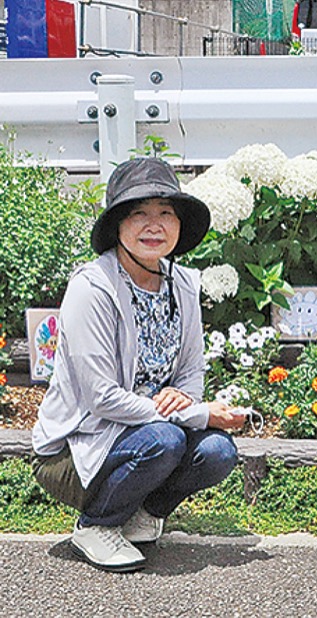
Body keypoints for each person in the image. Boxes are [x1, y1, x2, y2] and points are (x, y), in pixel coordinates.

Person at [31, 158, 245, 572]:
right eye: (138, 213)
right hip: (78, 450)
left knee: (217, 451)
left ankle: (141, 515)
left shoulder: (183, 284)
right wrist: (197, 413)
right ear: (117, 225)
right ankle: (95, 525)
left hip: (148, 436)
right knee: (166, 439)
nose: (154, 225)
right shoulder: (92, 288)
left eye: (166, 212)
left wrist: (183, 396)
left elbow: (191, 370)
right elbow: (101, 398)